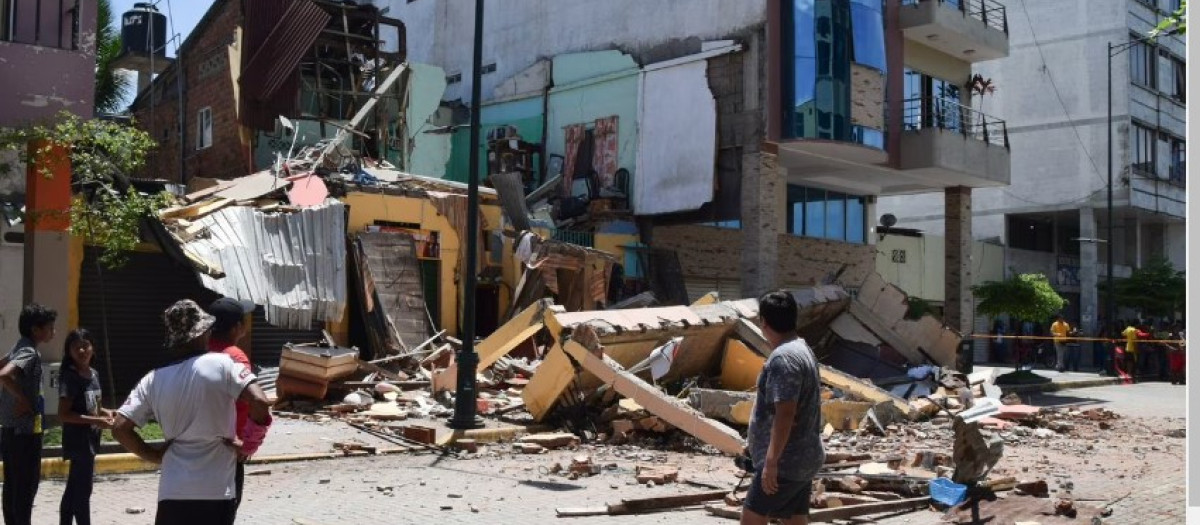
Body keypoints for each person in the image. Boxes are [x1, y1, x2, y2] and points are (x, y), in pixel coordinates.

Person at [113, 299, 272, 525]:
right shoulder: (224, 364)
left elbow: (119, 428)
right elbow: (260, 402)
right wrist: (249, 445)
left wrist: (154, 455)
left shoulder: (153, 379)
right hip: (217, 490)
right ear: (202, 332)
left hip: (173, 491)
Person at [742, 291, 825, 525]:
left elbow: (785, 413)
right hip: (803, 457)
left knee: (751, 520)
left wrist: (771, 462)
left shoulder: (783, 359)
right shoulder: (802, 349)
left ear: (764, 322)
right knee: (795, 520)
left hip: (786, 462)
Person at [207, 297, 273, 519]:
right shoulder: (234, 356)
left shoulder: (198, 353)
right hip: (227, 450)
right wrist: (248, 446)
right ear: (237, 327)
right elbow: (259, 402)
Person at [0, 303, 57, 525]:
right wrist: (23, 400)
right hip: (25, 431)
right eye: (50, 327)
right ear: (36, 329)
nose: (53, 331)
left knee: (12, 484)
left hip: (10, 429)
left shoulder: (20, 346)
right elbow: (4, 374)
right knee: (25, 487)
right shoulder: (29, 351)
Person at [57, 329, 116, 525]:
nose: (82, 350)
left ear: (93, 348)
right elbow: (64, 414)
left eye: (86, 346)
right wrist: (95, 421)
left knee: (74, 488)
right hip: (77, 441)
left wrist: (106, 413)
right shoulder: (70, 377)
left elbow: (94, 407)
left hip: (91, 439)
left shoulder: (94, 374)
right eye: (76, 347)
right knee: (83, 491)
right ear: (69, 352)